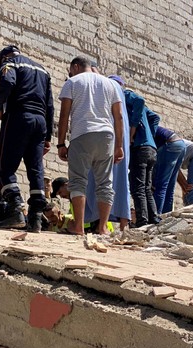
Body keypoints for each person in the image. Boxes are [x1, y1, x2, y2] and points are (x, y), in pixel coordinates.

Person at [57, 57, 124, 235]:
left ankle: (78, 226)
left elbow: (64, 115)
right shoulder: (110, 84)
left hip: (82, 134)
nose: (69, 74)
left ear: (76, 67)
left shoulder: (72, 82)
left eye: (70, 70)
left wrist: (61, 143)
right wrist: (119, 146)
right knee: (105, 183)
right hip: (106, 136)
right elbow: (118, 117)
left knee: (78, 181)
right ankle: (102, 227)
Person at [0, 45, 54, 231]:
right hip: (40, 122)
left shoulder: (10, 64)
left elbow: (8, 83)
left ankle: (15, 210)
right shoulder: (43, 71)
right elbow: (50, 105)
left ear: (4, 58)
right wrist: (48, 136)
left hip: (18, 116)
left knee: (4, 167)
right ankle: (35, 218)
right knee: (36, 169)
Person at [84, 74, 132, 231]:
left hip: (107, 142)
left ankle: (100, 223)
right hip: (118, 144)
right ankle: (119, 224)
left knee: (99, 179)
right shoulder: (121, 99)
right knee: (118, 181)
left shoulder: (110, 93)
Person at [123, 84, 161, 227]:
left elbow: (140, 100)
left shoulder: (124, 95)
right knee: (146, 187)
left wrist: (133, 131)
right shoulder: (140, 111)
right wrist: (150, 135)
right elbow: (156, 117)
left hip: (139, 148)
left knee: (137, 187)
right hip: (151, 148)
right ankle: (153, 218)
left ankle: (142, 221)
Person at [152, 126, 186, 214]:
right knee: (170, 186)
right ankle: (166, 216)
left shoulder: (137, 127)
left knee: (160, 186)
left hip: (169, 144)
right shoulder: (149, 124)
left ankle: (156, 217)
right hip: (181, 145)